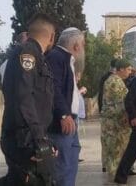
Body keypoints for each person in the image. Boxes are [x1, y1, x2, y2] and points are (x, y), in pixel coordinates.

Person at [0, 13, 57, 185]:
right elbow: (23, 99)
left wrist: (46, 140)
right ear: (52, 36)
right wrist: (39, 141)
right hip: (24, 140)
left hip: (29, 137)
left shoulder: (38, 57)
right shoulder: (27, 55)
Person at [46, 27, 86, 186]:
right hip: (61, 124)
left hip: (70, 121)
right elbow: (53, 88)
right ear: (76, 45)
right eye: (83, 44)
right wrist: (63, 114)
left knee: (70, 165)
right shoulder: (56, 57)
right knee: (62, 168)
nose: (83, 49)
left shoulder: (66, 59)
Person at [100, 59, 132, 178]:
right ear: (121, 69)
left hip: (111, 122)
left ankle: (115, 175)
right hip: (116, 124)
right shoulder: (116, 82)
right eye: (128, 69)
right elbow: (122, 102)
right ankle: (117, 177)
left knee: (112, 151)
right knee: (116, 151)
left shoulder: (112, 80)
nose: (130, 72)